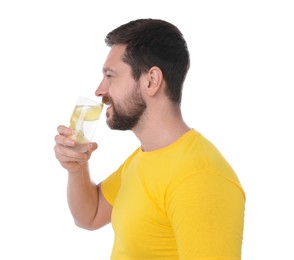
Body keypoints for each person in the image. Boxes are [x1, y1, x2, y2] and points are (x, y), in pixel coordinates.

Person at [54, 18, 245, 260]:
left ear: (151, 81)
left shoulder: (200, 176)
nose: (100, 90)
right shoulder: (145, 156)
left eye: (110, 76)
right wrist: (76, 168)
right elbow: (89, 216)